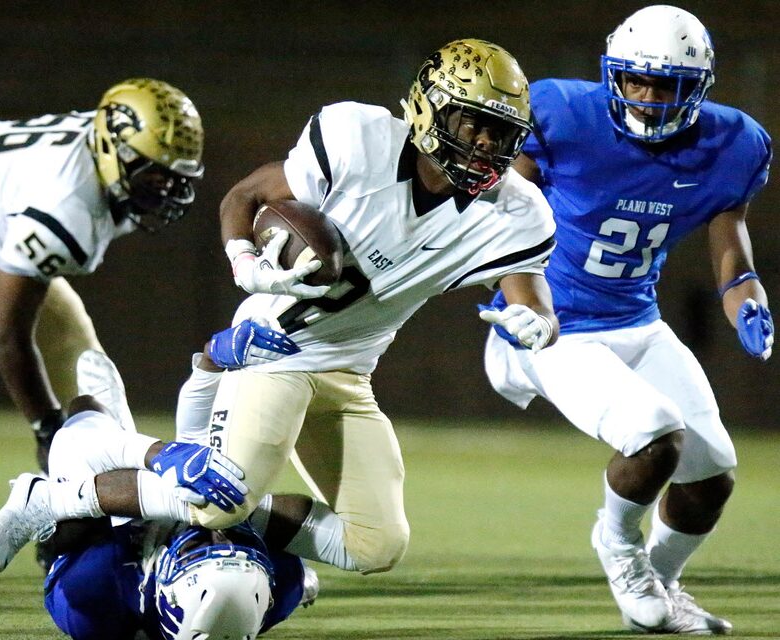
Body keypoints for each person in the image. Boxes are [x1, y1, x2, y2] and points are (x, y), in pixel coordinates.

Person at [190, 38, 558, 578]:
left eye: (498, 131)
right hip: (274, 353)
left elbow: (534, 297)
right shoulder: (358, 142)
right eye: (470, 122)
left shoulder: (515, 210)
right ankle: (76, 486)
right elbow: (243, 196)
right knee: (214, 502)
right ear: (431, 108)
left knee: (376, 545)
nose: (484, 142)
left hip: (350, 375)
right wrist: (244, 262)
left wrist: (539, 326)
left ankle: (233, 524)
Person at [482, 5, 773, 635]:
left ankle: (663, 587)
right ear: (611, 72)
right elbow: (500, 215)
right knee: (653, 434)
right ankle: (618, 546)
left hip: (636, 320)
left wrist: (747, 297)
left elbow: (732, 251)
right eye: (634, 80)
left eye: (664, 85)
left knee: (712, 473)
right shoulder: (560, 112)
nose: (646, 97)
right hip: (551, 322)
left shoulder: (732, 143)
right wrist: (519, 303)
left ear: (697, 88)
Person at [0, 335, 316, 640]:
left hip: (107, 537)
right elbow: (285, 516)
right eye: (237, 548)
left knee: (83, 418)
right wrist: (209, 373)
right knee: (226, 490)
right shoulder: (283, 582)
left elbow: (74, 529)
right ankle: (151, 453)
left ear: (167, 590)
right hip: (168, 544)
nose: (219, 537)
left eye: (197, 551)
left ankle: (49, 497)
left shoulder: (94, 596)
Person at [0, 77, 204, 471]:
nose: (164, 188)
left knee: (83, 362)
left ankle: (119, 497)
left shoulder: (105, 140)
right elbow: (8, 336)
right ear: (112, 148)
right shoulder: (69, 205)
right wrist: (45, 425)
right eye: (154, 173)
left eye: (174, 177)